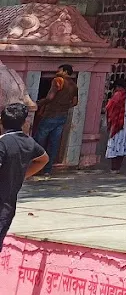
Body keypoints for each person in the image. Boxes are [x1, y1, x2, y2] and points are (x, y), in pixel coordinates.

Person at [0, 102, 47, 249]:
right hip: (7, 208)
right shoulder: (29, 143)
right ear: (24, 122)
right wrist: (21, 175)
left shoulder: (2, 143)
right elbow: (43, 159)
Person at [33, 64, 78, 175]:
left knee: (39, 140)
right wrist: (64, 106)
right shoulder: (74, 85)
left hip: (51, 115)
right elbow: (75, 102)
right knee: (54, 143)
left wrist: (38, 103)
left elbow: (50, 97)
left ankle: (35, 167)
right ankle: (47, 170)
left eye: (60, 70)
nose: (57, 71)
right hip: (62, 116)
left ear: (65, 71)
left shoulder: (58, 80)